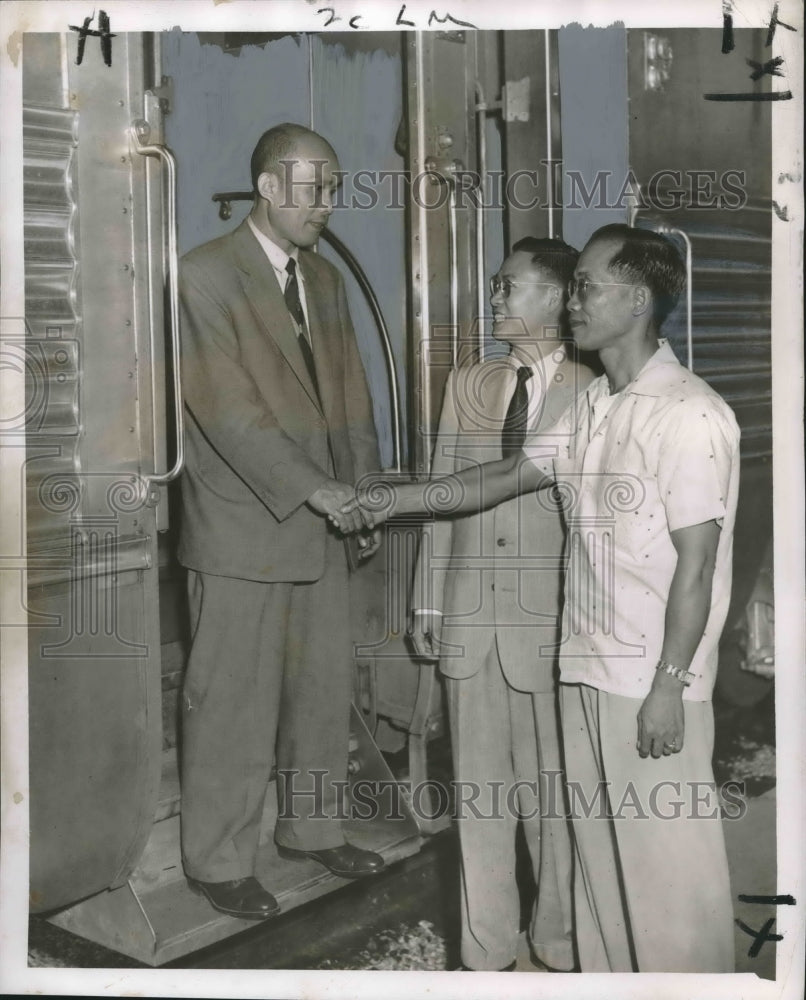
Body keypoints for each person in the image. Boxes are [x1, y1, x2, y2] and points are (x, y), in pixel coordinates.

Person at [342, 224, 739, 972]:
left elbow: (699, 567)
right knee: (598, 874)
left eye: (587, 286)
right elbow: (497, 478)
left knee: (668, 878)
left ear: (639, 297)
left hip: (646, 682)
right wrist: (386, 504)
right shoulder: (597, 410)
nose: (574, 302)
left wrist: (670, 686)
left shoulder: (689, 413)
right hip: (582, 672)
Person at [177, 123, 385, 921]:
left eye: (334, 188)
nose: (328, 204)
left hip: (327, 518)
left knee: (320, 693)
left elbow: (352, 401)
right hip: (243, 527)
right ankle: (219, 861)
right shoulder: (202, 276)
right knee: (232, 702)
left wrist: (363, 492)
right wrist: (319, 491)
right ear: (268, 186)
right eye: (314, 188)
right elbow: (229, 414)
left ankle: (311, 828)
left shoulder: (325, 283)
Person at [409, 238, 593, 972]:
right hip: (469, 624)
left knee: (554, 803)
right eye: (493, 286)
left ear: (553, 298)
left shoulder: (595, 388)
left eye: (508, 287)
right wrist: (428, 605)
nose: (494, 299)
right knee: (479, 805)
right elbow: (444, 495)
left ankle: (558, 944)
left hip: (550, 633)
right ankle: (488, 956)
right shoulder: (469, 384)